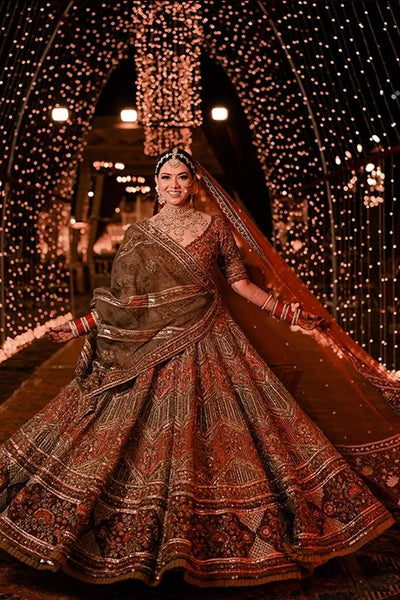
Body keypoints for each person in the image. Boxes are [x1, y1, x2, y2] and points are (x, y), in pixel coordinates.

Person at [0, 147, 398, 588]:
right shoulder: (140, 234)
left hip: (216, 341)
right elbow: (125, 301)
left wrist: (290, 313)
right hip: (151, 347)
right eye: (167, 178)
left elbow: (239, 283)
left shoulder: (216, 228)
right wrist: (79, 326)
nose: (175, 185)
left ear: (196, 183)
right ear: (156, 184)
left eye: (183, 177)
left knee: (240, 433)